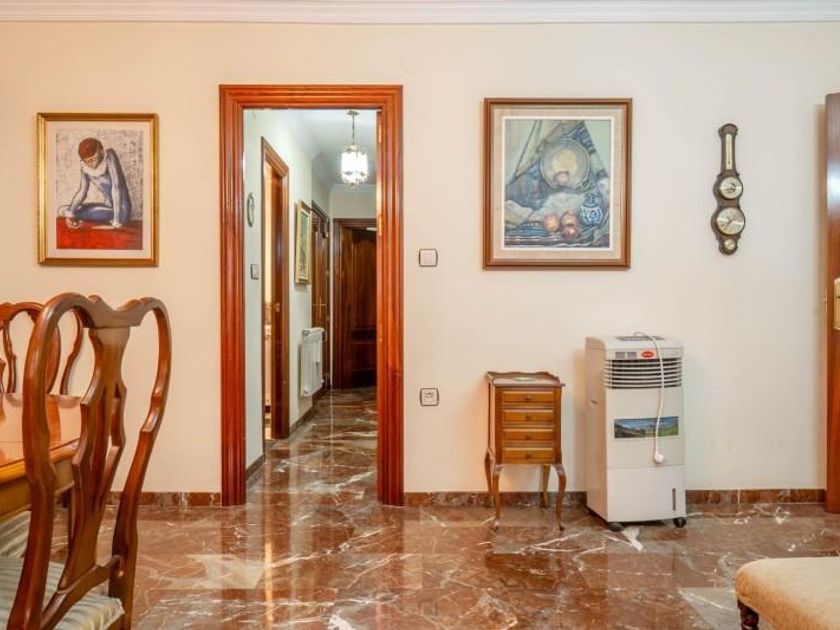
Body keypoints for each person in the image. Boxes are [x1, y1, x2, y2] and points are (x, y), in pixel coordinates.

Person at [58, 137, 132, 229]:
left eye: (93, 159)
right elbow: (82, 191)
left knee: (79, 212)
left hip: (121, 211)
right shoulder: (85, 167)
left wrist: (116, 221)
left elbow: (116, 187)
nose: (91, 164)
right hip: (107, 206)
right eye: (87, 161)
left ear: (100, 151)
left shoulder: (109, 156)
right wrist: (70, 213)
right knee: (67, 209)